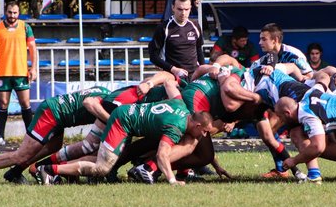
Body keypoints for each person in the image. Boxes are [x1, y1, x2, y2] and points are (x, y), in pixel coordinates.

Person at [37, 80, 214, 186]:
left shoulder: (181, 104)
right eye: (205, 131)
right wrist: (172, 180)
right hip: (122, 122)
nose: (205, 135)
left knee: (98, 155)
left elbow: (169, 83)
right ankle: (49, 170)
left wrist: (176, 81)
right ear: (198, 125)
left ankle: (53, 169)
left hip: (125, 115)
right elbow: (162, 155)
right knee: (102, 167)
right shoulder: (177, 127)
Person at [0, 86, 110, 185]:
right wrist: (110, 120)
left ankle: (15, 172)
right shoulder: (108, 103)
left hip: (57, 113)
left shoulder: (107, 93)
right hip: (51, 113)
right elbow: (88, 102)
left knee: (53, 147)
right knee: (21, 155)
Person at [0, 0, 38, 146]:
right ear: (6, 12)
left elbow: (33, 48)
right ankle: (1, 136)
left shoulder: (25, 27)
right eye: (10, 12)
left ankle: (31, 138)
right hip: (3, 71)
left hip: (20, 71)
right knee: (3, 104)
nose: (12, 15)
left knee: (25, 103)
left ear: (19, 13)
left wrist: (33, 68)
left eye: (15, 12)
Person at [149, 0, 205, 80]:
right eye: (180, 9)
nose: (183, 13)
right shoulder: (163, 28)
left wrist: (203, 70)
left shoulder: (195, 26)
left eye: (186, 9)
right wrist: (173, 69)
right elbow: (153, 56)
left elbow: (199, 50)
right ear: (173, 8)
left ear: (190, 8)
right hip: (172, 76)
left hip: (194, 75)